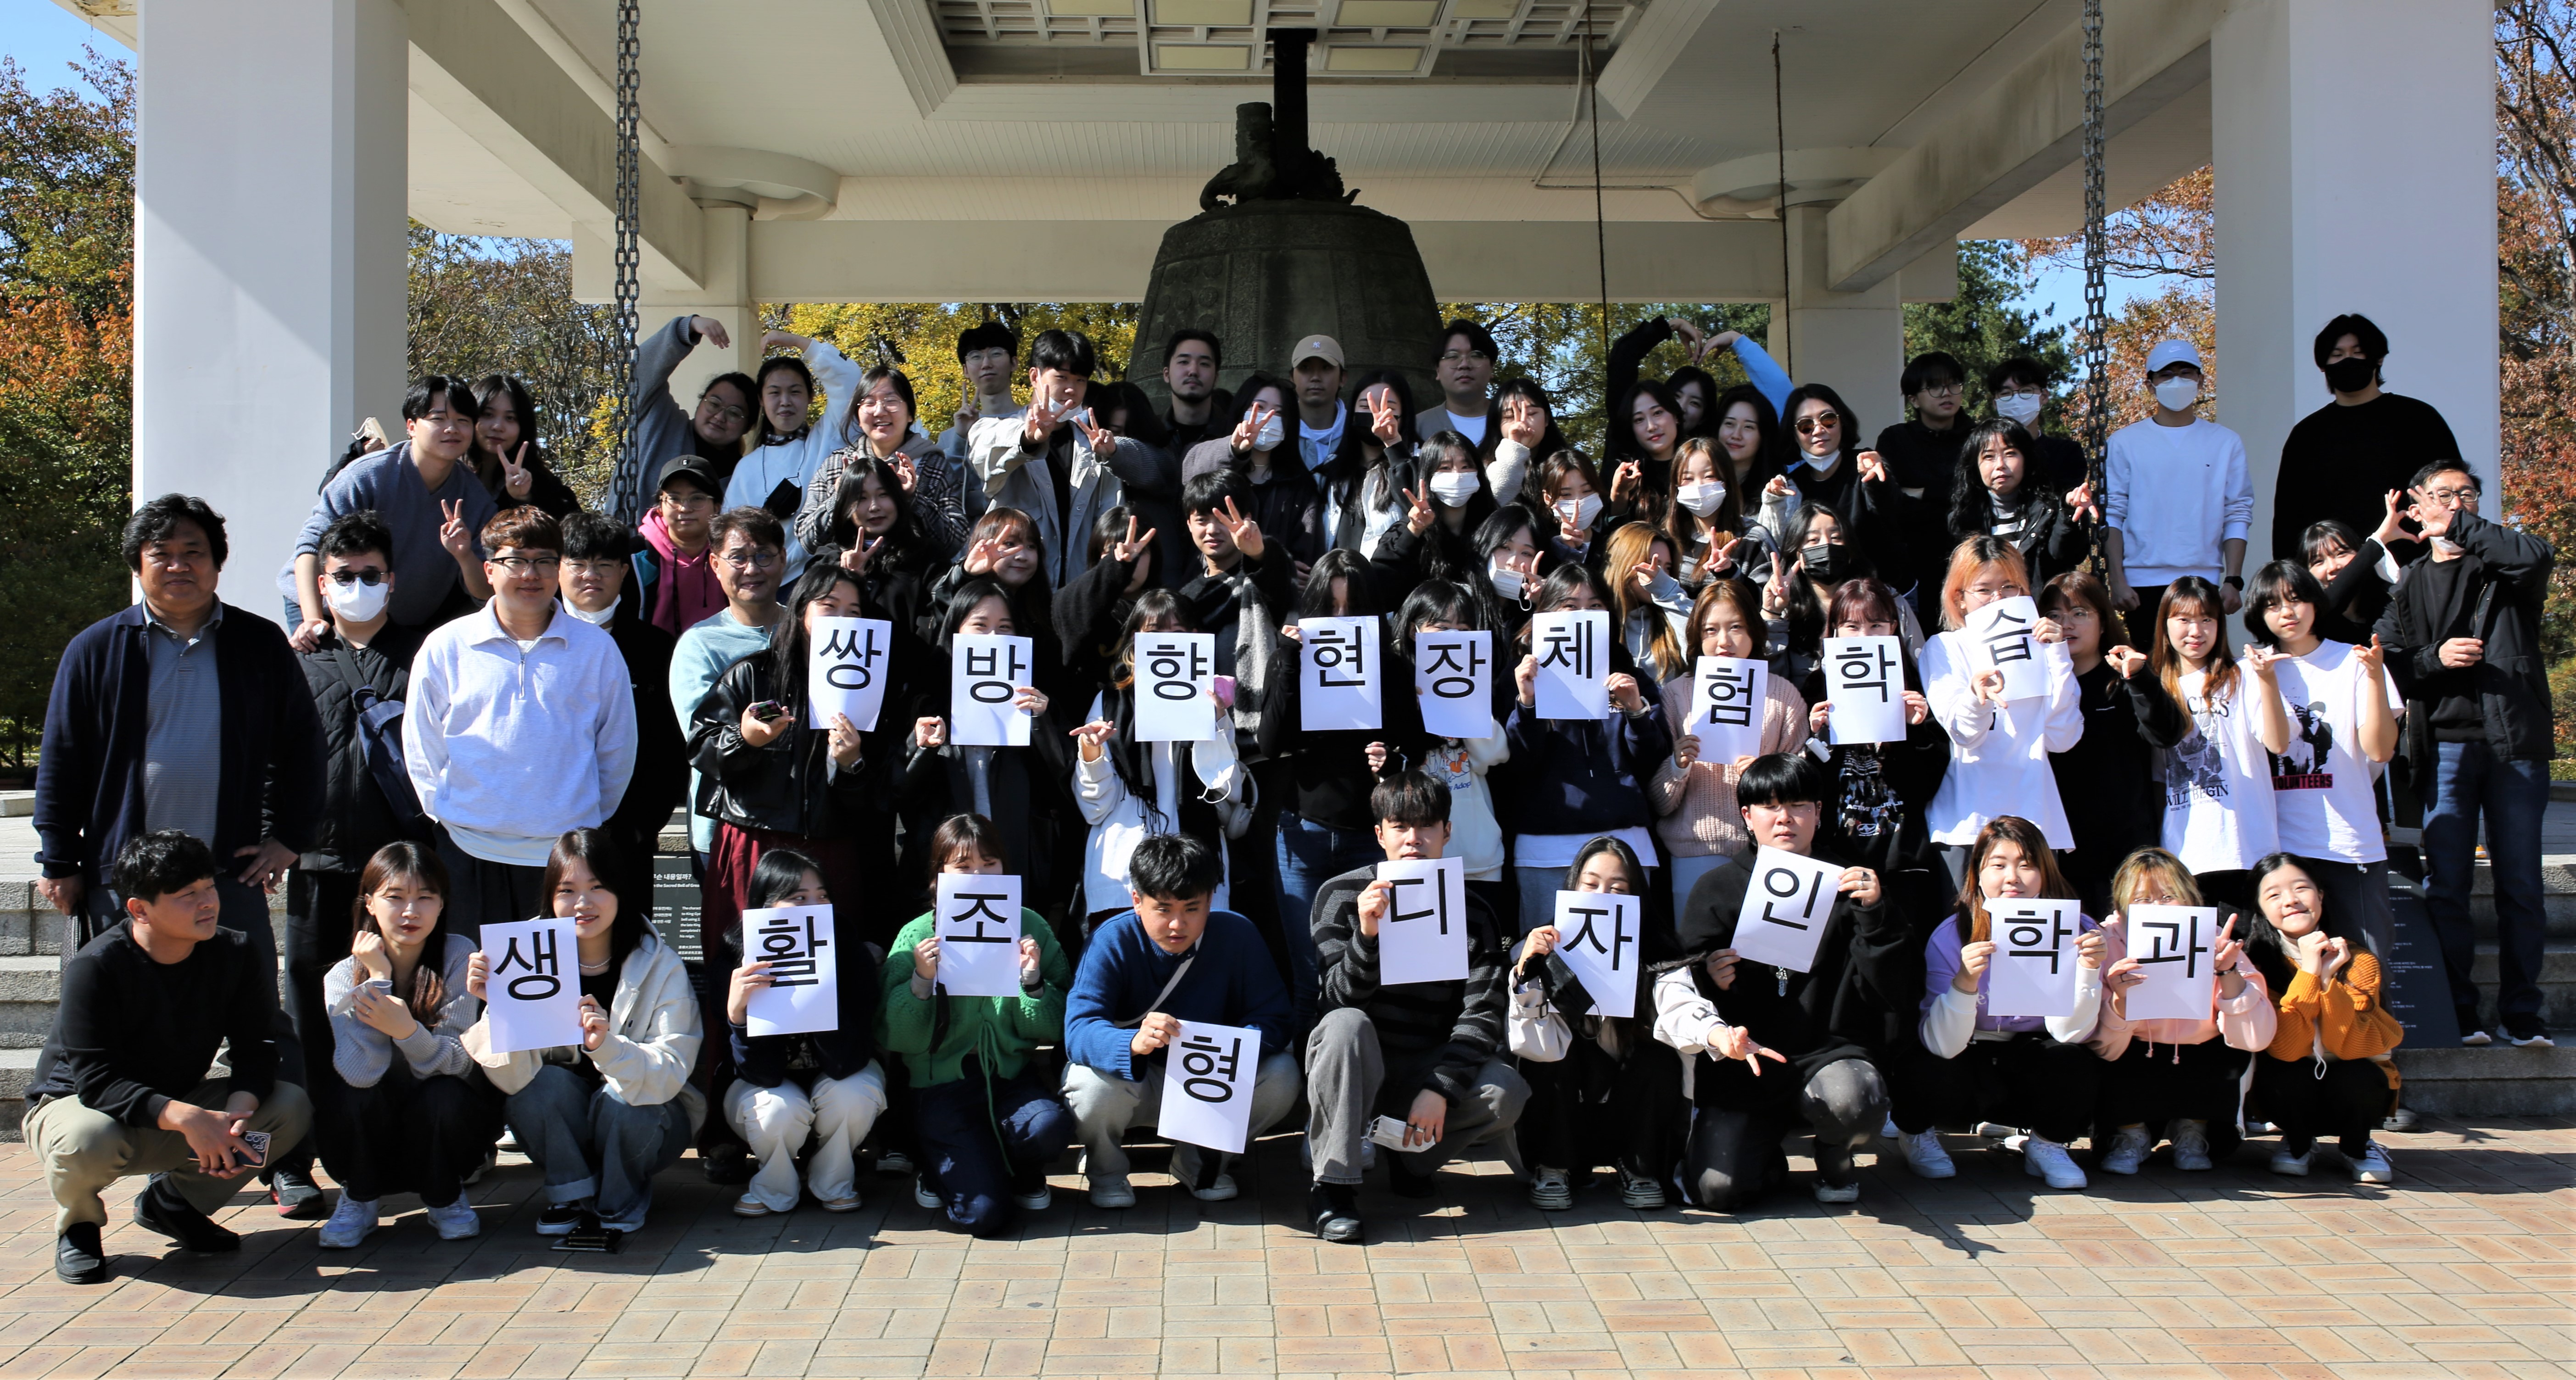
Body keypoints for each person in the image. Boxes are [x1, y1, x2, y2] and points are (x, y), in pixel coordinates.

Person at [33, 495, 325, 1211]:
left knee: (264, 1022)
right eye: (161, 553)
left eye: (194, 551)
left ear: (217, 563)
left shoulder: (257, 644)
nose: (178, 565)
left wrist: (288, 835)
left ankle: (285, 1161)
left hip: (225, 874)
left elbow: (301, 744)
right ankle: (92, 1160)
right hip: (120, 881)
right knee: (103, 1017)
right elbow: (62, 755)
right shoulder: (98, 648)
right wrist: (59, 859)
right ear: (138, 565)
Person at [25, 831, 314, 1284]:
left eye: (209, 887)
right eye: (187, 895)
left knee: (287, 1107)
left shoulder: (234, 952)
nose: (208, 902)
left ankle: (175, 1203)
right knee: (87, 1137)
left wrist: (237, 1115)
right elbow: (97, 1081)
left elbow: (256, 1047)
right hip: (81, 1107)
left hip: (173, 1105)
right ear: (140, 909)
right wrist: (185, 1117)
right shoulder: (96, 966)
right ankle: (79, 1226)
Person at [1656, 754, 1901, 1207]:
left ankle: (1836, 1154)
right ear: (1747, 816)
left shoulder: (1852, 885)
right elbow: (1683, 986)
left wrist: (1876, 915)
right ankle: (1765, 1159)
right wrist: (1711, 978)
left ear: (1819, 812)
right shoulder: (1717, 887)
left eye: (1798, 805)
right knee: (1716, 1190)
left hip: (1828, 1053)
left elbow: (1894, 988)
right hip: (1745, 1060)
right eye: (1768, 806)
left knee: (1855, 1101)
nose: (1784, 817)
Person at [2375, 460, 2557, 1048]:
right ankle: (2461, 1013)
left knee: (2520, 884)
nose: (2456, 503)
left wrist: (2457, 524)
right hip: (2445, 749)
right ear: (2417, 507)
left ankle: (2522, 1014)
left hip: (2514, 746)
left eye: (2467, 494)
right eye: (2442, 495)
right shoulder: (2408, 582)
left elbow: (2538, 557)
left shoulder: (2504, 571)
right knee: (2448, 884)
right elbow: (2387, 661)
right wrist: (2436, 657)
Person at [1303, 772, 1525, 1243]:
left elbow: (1483, 1013)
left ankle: (1413, 1157)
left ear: (1447, 831)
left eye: (1426, 826)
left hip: (1423, 1063)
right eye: (1400, 826)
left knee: (1504, 1090)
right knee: (1344, 1025)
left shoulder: (1475, 911)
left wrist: (1439, 1088)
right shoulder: (1340, 895)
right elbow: (1334, 1002)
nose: (1413, 839)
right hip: (1356, 1063)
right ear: (1379, 833)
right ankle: (1333, 1188)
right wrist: (1367, 937)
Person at [403, 508, 639, 938]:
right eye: (516, 561)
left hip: (564, 858)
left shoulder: (596, 649)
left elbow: (616, 748)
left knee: (554, 979)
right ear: (489, 569)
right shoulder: (447, 645)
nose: (531, 574)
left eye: (545, 561)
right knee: (471, 973)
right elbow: (422, 744)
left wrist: (582, 816)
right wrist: (448, 813)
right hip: (468, 849)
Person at [286, 512, 428, 1210]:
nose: (358, 585)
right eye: (344, 576)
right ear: (322, 584)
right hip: (316, 865)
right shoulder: (298, 660)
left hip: (398, 875)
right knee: (314, 1017)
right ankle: (312, 1157)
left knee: (404, 1010)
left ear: (392, 580)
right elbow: (272, 758)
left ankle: (416, 1155)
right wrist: (273, 836)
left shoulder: (423, 655)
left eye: (371, 574)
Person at [464, 830, 703, 1235]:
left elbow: (671, 1069)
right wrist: (502, 1008)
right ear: (550, 897)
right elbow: (512, 1080)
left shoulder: (660, 963)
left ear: (619, 890)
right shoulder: (524, 958)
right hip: (566, 1125)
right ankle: (571, 1193)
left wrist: (608, 1048)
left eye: (597, 887)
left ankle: (619, 1198)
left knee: (624, 1099)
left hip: (646, 1120)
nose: (582, 903)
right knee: (539, 1089)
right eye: (567, 890)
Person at [1061, 834, 1301, 1207]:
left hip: (1210, 1079)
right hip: (1136, 1082)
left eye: (1192, 908)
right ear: (1137, 900)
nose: (1178, 924)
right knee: (1088, 1084)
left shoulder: (1238, 934)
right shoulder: (1111, 939)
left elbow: (1274, 1016)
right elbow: (1079, 1029)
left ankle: (1200, 1160)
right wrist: (1131, 1043)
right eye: (1163, 909)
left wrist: (1230, 1045)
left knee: (1282, 1075)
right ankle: (1106, 1170)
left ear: (1211, 899)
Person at [881, 816, 1076, 1236]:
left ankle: (1020, 1171)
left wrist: (1032, 980)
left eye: (990, 864)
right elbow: (895, 1035)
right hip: (941, 1082)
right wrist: (921, 981)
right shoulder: (917, 934)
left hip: (1010, 1075)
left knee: (1049, 1126)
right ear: (939, 875)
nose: (979, 875)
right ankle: (938, 1169)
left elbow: (1057, 1025)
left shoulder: (1030, 925)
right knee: (983, 1216)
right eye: (963, 866)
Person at [1890, 816, 2107, 1191]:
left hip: (2028, 1056)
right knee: (1923, 1058)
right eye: (1999, 864)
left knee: (2072, 1059)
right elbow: (1943, 1044)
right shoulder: (1952, 934)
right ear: (1978, 872)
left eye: (2027, 864)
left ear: (2045, 871)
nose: (2013, 878)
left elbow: (2070, 1033)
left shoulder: (2079, 931)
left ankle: (2048, 1142)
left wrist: (2088, 971)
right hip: (1966, 1058)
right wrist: (1965, 983)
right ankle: (1917, 1133)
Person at [690, 559, 896, 947]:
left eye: (854, 612)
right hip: (755, 840)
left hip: (830, 847)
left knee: (823, 963)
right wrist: (745, 738)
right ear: (801, 610)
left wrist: (851, 765)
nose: (842, 620)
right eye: (829, 606)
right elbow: (702, 747)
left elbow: (878, 792)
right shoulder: (754, 674)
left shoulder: (869, 686)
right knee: (747, 958)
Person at [315, 842, 499, 1248]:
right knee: (350, 1096)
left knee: (446, 1093)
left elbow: (457, 1063)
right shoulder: (343, 976)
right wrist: (379, 979)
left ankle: (445, 1196)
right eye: (395, 897)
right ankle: (360, 1198)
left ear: (442, 903)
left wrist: (406, 1032)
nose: (411, 911)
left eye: (425, 898)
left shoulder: (459, 955)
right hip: (371, 1133)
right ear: (370, 902)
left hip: (439, 1130)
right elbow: (361, 1074)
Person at [1262, 550, 1411, 1028]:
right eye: (1331, 607)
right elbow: (1269, 742)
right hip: (1302, 834)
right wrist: (1291, 662)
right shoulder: (1292, 658)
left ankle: (1356, 1064)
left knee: (1367, 969)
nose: (1342, 618)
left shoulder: (1391, 667)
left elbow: (1414, 742)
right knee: (1309, 975)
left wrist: (1392, 759)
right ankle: (1307, 1072)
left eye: (1353, 608)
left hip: (1368, 838)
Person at [1507, 835, 1680, 1212]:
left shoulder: (1658, 949)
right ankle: (1552, 1167)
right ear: (1573, 886)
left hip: (1624, 1107)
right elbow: (1530, 1043)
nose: (1603, 897)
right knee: (1554, 1054)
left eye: (1618, 888)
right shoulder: (1544, 945)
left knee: (1659, 1058)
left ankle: (1639, 1168)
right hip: (1565, 1111)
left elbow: (1681, 1007)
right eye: (1591, 884)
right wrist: (1528, 970)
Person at [716, 847, 888, 1218]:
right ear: (767, 904)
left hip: (838, 1074)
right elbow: (760, 1075)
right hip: (762, 1085)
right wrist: (739, 1015)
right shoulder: (737, 955)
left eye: (822, 896)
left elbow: (847, 1062)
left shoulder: (847, 948)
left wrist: (821, 996)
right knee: (778, 1109)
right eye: (799, 898)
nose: (815, 907)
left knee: (854, 1094)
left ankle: (834, 1180)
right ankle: (774, 1185)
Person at [2241, 562, 2401, 957]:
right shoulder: (2247, 671)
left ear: (2315, 602)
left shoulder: (2355, 661)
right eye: (2273, 605)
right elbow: (2275, 745)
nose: (2287, 612)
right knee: (2288, 977)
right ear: (2258, 614)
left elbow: (2380, 751)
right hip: (2278, 850)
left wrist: (2376, 678)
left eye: (2296, 599)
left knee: (2367, 970)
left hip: (2350, 844)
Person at [1501, 566, 1675, 932]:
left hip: (1625, 843)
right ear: (1547, 612)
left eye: (1595, 605)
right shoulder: (1521, 674)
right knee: (1546, 954)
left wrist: (1636, 711)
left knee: (1627, 953)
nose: (1583, 614)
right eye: (1569, 605)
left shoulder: (1629, 675)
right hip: (1545, 847)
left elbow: (1653, 760)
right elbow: (1513, 762)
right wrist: (1528, 704)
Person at [1070, 590, 1256, 930]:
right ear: (1135, 640)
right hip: (1122, 874)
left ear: (1195, 639)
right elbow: (1094, 807)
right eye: (1154, 632)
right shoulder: (1111, 703)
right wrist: (1092, 752)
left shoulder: (1210, 704)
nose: (1167, 641)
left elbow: (1227, 792)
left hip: (1196, 871)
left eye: (1178, 632)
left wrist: (1216, 723)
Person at [2088, 849, 2275, 1176]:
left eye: (2168, 897)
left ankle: (2194, 1129)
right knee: (2107, 1054)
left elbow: (2255, 1038)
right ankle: (2130, 1134)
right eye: (2143, 899)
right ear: (2121, 905)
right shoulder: (2107, 942)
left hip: (2201, 1056)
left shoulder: (2215, 939)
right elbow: (2102, 1047)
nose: (2157, 908)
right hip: (2133, 1054)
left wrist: (2227, 972)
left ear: (2190, 899)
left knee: (2227, 1047)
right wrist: (2120, 1000)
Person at [899, 575, 1071, 919]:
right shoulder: (926, 705)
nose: (994, 638)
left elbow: (1063, 789)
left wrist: (1042, 724)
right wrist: (923, 748)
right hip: (945, 878)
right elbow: (899, 794)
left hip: (1018, 873)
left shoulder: (1036, 707)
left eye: (1005, 627)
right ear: (955, 632)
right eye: (980, 626)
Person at [286, 376, 499, 646]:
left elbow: (484, 592)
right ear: (411, 426)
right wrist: (314, 620)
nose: (452, 429)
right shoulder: (367, 476)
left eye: (463, 421)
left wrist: (464, 555)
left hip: (400, 625)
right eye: (438, 418)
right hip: (327, 611)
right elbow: (310, 547)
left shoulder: (476, 498)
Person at [1920, 539, 2083, 888]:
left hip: (2035, 817)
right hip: (1967, 821)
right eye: (1984, 590)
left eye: (2009, 587)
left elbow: (2063, 738)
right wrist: (1977, 698)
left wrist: (2058, 654)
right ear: (1960, 598)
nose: (1998, 599)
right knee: (1967, 923)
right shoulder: (1946, 647)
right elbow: (1965, 734)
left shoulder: (2044, 644)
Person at [966, 328, 1178, 587]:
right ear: (1035, 376)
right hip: (1016, 587)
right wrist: (1029, 439)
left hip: (1080, 588)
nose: (1071, 389)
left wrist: (1113, 453)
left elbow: (1113, 510)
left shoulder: (1093, 442)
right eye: (1062, 377)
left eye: (1080, 380)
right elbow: (988, 457)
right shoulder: (995, 428)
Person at [2241, 854, 2402, 1184]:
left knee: (2360, 1074)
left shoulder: (2357, 959)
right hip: (2289, 1086)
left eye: (2302, 888)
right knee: (2285, 1073)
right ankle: (2297, 1141)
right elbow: (2287, 1049)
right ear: (2260, 908)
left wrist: (2329, 982)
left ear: (2321, 895)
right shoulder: (2255, 965)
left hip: (2350, 1079)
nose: (2291, 900)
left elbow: (2350, 1045)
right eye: (2274, 894)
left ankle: (2358, 1146)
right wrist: (2311, 972)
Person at [1653, 578, 1810, 911]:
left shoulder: (1783, 695)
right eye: (1710, 630)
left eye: (1736, 627)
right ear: (1696, 637)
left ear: (1755, 629)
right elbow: (1660, 803)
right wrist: (1678, 765)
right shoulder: (1677, 695)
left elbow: (1803, 787)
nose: (1724, 641)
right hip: (1694, 851)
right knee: (1700, 942)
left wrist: (1764, 777)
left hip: (1770, 853)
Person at [557, 512, 689, 902]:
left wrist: (642, 826)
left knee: (629, 930)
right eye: (578, 564)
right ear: (558, 568)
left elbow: (669, 747)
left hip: (630, 836)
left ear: (623, 572)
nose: (591, 575)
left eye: (604, 565)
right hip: (544, 836)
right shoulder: (531, 644)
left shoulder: (656, 648)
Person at [2040, 570, 2183, 917]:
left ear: (2104, 622)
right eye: (2055, 615)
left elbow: (2166, 733)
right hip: (2059, 850)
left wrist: (2140, 679)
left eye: (2080, 613)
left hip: (2124, 849)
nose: (2066, 625)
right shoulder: (2035, 687)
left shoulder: (2124, 678)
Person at [2271, 313, 2464, 565]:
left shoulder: (2419, 419)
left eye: (2358, 353)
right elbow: (2289, 517)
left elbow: (2453, 491)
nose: (2348, 361)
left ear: (2378, 358)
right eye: (2337, 355)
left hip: (2415, 566)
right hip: (2336, 572)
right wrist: (2290, 576)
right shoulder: (2306, 435)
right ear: (2323, 365)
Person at [2103, 339, 2252, 648]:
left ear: (2201, 380)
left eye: (2186, 373)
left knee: (2204, 669)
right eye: (2166, 375)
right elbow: (2113, 515)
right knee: (2150, 670)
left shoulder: (2226, 442)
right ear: (2150, 385)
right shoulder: (2124, 442)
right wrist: (2117, 580)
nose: (2177, 382)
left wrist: (2233, 580)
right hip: (2141, 584)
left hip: (2205, 580)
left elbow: (2238, 512)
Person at [2147, 576, 2280, 917]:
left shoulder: (2244, 674)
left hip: (2246, 848)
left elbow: (2278, 742)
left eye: (2207, 619)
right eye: (2184, 619)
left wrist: (2268, 680)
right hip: (2184, 854)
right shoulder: (2155, 687)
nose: (2196, 631)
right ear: (2165, 624)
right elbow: (2157, 777)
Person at [1798, 578, 1948, 876]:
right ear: (1835, 630)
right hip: (1837, 854)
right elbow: (1811, 786)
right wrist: (1817, 737)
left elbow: (1926, 786)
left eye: (1876, 625)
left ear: (1894, 627)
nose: (1865, 636)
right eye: (1852, 627)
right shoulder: (1817, 687)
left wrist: (1916, 728)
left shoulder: (1917, 686)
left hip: (1904, 858)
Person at [669, 508, 791, 862]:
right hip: (727, 830)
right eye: (738, 557)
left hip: (801, 822)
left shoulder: (809, 631)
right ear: (715, 564)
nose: (752, 569)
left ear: (783, 559)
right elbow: (706, 740)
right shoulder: (700, 644)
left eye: (764, 555)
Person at [725, 332, 863, 578]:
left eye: (795, 392)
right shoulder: (747, 467)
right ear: (761, 400)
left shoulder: (827, 439)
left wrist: (799, 343)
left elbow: (850, 379)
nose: (785, 402)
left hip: (822, 577)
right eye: (775, 393)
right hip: (765, 582)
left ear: (811, 397)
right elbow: (731, 533)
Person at [1181, 371, 1327, 577]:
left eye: (1279, 413)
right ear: (1241, 411)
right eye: (1258, 408)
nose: (1267, 418)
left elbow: (1306, 555)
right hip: (1214, 586)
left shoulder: (1300, 486)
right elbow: (1189, 471)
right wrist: (1234, 448)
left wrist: (1283, 568)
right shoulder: (1213, 461)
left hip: (1272, 592)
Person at [797, 365, 955, 555]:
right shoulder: (837, 466)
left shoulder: (932, 465)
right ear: (858, 414)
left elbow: (954, 541)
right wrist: (840, 498)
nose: (880, 411)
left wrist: (913, 499)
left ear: (910, 414)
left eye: (891, 401)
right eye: (869, 403)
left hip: (913, 572)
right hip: (846, 572)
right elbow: (807, 540)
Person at [624, 313, 756, 514]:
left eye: (734, 413)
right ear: (701, 402)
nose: (720, 417)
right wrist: (687, 328)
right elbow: (641, 371)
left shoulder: (744, 477)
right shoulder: (663, 422)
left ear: (748, 426)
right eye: (714, 404)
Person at [1873, 351, 1977, 606]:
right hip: (1913, 564)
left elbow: (1978, 497)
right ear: (1914, 399)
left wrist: (1924, 493)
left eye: (1953, 384)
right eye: (1934, 387)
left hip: (1971, 559)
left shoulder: (1979, 437)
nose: (1947, 393)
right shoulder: (1896, 439)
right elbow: (1893, 503)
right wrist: (1950, 497)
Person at [1778, 384, 1901, 597]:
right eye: (1806, 426)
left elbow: (1890, 513)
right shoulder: (1792, 485)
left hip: (1880, 594)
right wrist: (1773, 502)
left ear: (1842, 421)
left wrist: (1876, 482)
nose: (1819, 430)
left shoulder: (1867, 464)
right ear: (1794, 434)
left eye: (1828, 420)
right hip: (1818, 599)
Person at [1946, 418, 2093, 588]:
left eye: (2010, 454)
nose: (2000, 465)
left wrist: (2068, 511)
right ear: (1975, 466)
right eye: (1989, 457)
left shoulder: (2048, 508)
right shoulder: (1963, 518)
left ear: (2026, 459)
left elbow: (2068, 555)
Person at [1662, 436, 1777, 595]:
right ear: (1676, 486)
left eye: (1709, 476)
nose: (1699, 486)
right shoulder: (1666, 539)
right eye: (1688, 478)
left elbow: (1770, 600)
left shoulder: (1754, 538)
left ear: (1727, 481)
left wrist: (1731, 573)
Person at [463, 374, 582, 518]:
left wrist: (523, 499)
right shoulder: (449, 474)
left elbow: (569, 527)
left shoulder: (545, 486)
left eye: (510, 418)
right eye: (488, 414)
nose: (498, 426)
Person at [633, 457, 727, 637]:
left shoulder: (731, 553)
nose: (685, 508)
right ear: (660, 506)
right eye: (674, 499)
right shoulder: (636, 555)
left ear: (717, 506)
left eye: (697, 498)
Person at [2300, 502, 2412, 645]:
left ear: (2360, 553)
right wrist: (2379, 539)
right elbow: (2331, 603)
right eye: (2318, 562)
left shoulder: (2392, 601)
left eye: (2341, 554)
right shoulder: (2311, 617)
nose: (2332, 567)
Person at [1603, 522, 1693, 693]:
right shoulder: (1599, 616)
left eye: (1667, 569)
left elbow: (1700, 644)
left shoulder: (1674, 612)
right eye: (1652, 564)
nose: (1660, 575)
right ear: (1625, 564)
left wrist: (1667, 592)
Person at [1984, 358, 2088, 493]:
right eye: (2006, 394)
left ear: (2044, 396)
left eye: (2025, 391)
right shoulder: (1982, 453)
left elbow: (2069, 496)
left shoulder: (2066, 453)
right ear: (1995, 403)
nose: (2016, 400)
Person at [1416, 318, 1499, 447]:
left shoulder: (1515, 422)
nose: (1464, 365)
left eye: (1476, 355)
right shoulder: (1417, 427)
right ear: (1438, 370)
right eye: (1452, 356)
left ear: (1492, 367)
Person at [1159, 328, 1229, 455]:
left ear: (1216, 378)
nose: (1193, 371)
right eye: (1184, 362)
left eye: (1204, 364)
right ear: (1167, 374)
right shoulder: (1149, 435)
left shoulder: (1234, 435)